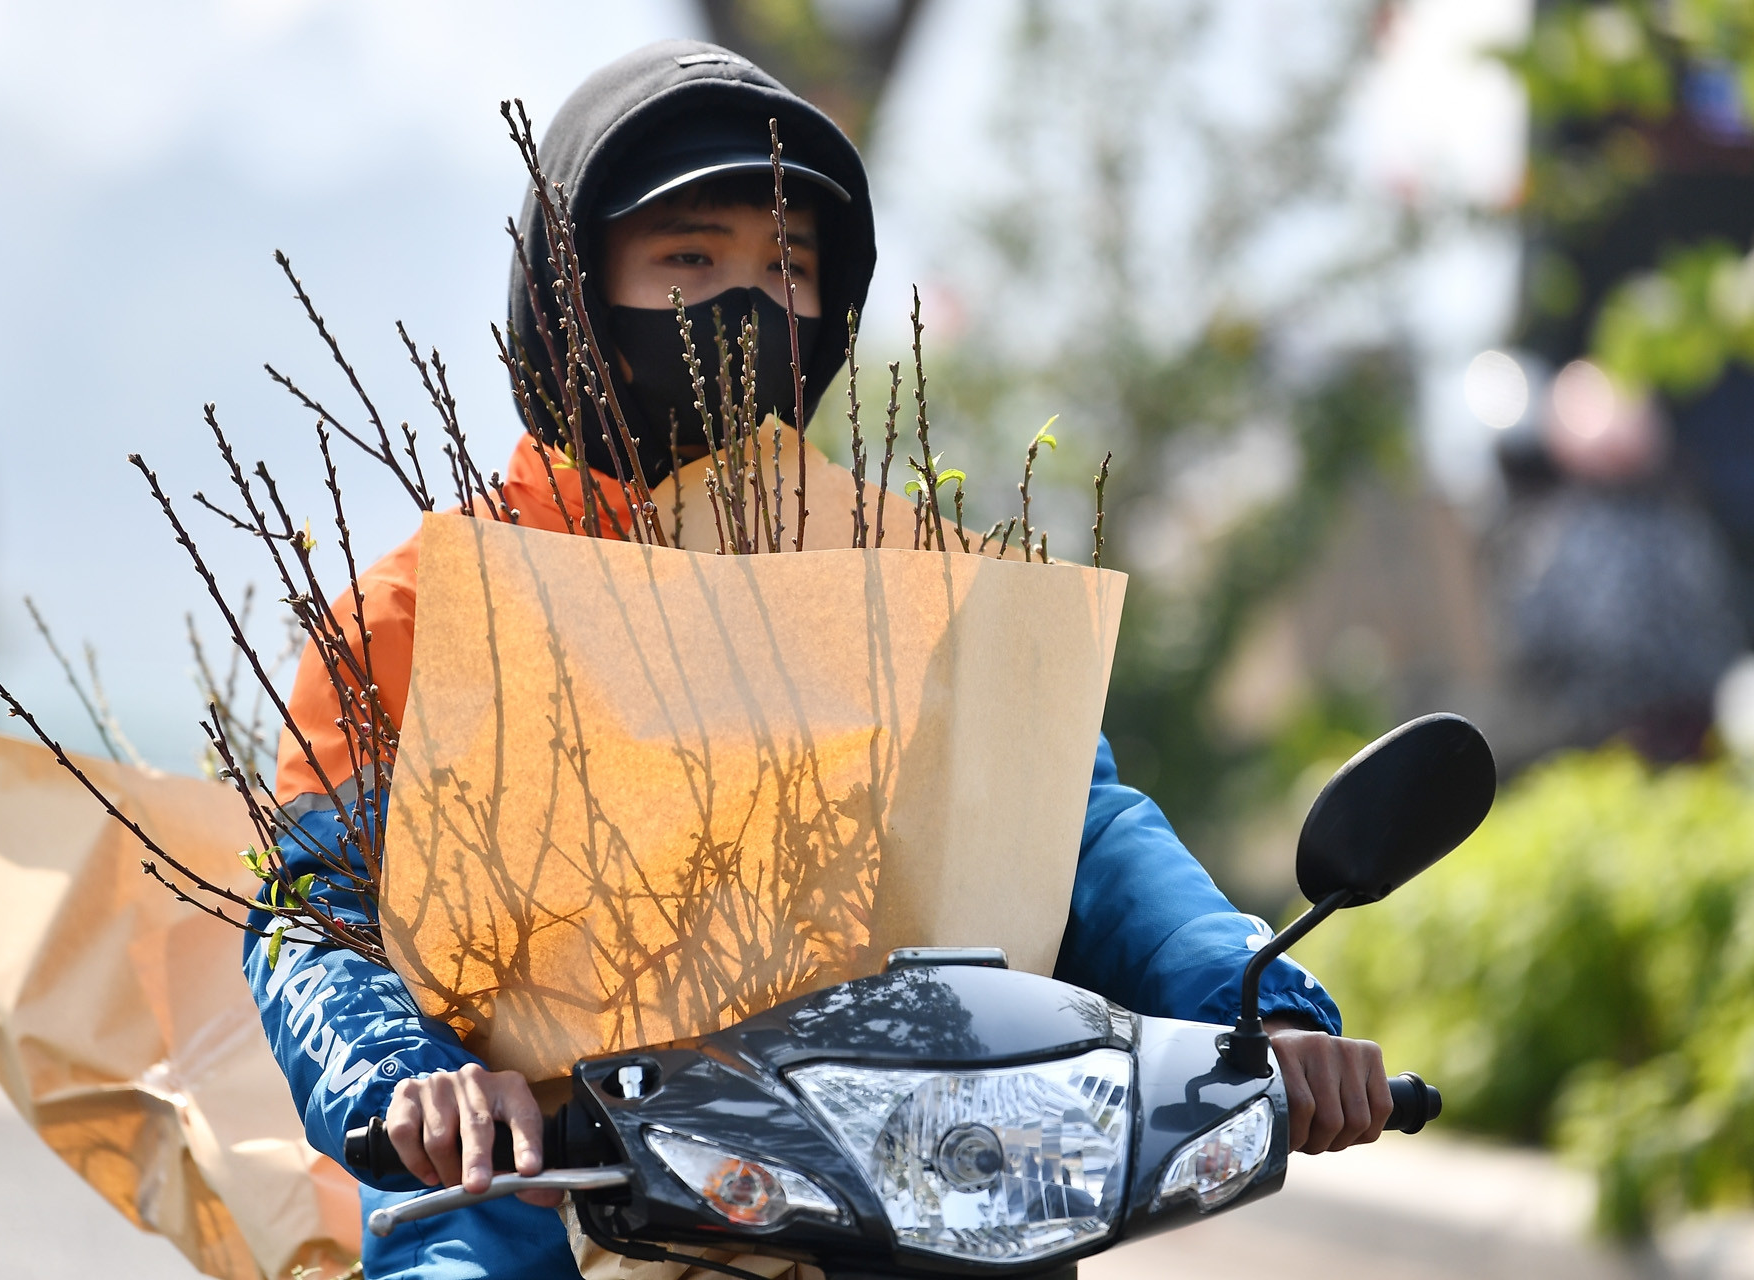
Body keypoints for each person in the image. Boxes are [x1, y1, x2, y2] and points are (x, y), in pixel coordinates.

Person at [244, 40, 1390, 1280]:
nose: (745, 303)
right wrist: (415, 1082)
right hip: (531, 1198)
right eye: (690, 257)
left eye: (786, 267)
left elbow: (1083, 831)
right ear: (569, 293)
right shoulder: (423, 613)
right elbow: (315, 910)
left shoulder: (904, 585)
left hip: (900, 1203)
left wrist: (1252, 999)